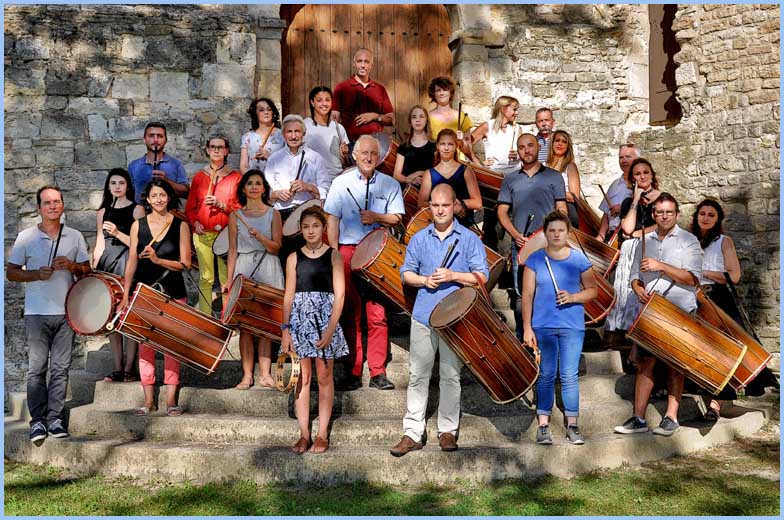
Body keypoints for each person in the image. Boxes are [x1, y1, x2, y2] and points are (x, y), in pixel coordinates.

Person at [390, 184, 488, 456]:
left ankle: (447, 431)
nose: (441, 210)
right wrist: (424, 280)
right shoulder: (419, 238)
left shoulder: (469, 239)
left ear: (454, 206)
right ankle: (412, 432)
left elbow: (482, 276)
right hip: (424, 315)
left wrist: (453, 276)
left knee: (450, 375)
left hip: (455, 319)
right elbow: (405, 274)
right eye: (435, 205)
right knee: (417, 375)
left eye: (445, 205)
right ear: (430, 207)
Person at [7, 186, 91, 445]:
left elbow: (87, 271)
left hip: (66, 313)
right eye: (47, 202)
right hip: (36, 313)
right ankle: (37, 421)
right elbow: (11, 272)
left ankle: (55, 419)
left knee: (60, 369)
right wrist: (35, 274)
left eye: (56, 201)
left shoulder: (75, 236)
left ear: (63, 205)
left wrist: (72, 266)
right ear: (39, 208)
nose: (53, 206)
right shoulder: (26, 237)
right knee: (36, 370)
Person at [615, 193, 702, 437]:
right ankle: (638, 418)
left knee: (675, 364)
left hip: (679, 310)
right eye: (660, 212)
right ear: (654, 214)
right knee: (645, 363)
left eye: (669, 212)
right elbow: (634, 275)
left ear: (677, 214)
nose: (664, 216)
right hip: (650, 311)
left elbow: (693, 278)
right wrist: (637, 288)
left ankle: (671, 417)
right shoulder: (644, 240)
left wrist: (660, 266)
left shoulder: (689, 241)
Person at [323, 134, 405, 391]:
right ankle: (353, 370)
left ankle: (378, 372)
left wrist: (376, 216)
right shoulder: (340, 182)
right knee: (350, 312)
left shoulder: (390, 184)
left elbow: (397, 217)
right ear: (355, 155)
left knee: (377, 314)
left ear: (379, 157)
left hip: (377, 254)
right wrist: (334, 254)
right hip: (347, 250)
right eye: (364, 153)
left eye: (373, 153)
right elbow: (332, 220)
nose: (369, 157)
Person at [690, 198, 778, 416]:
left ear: (718, 219)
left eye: (711, 215)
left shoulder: (723, 241)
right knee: (700, 350)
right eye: (702, 214)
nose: (706, 218)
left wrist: (703, 272)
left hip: (717, 298)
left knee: (723, 349)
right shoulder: (688, 241)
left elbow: (734, 275)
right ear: (696, 216)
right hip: (692, 298)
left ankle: (716, 403)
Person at [521, 211, 597, 445]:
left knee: (569, 375)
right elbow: (527, 295)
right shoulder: (535, 260)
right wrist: (527, 328)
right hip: (543, 325)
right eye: (552, 230)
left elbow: (592, 291)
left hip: (572, 326)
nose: (556, 234)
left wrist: (573, 297)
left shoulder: (579, 260)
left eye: (560, 230)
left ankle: (572, 425)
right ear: (545, 233)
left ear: (568, 233)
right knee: (546, 374)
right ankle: (543, 425)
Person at [121, 180, 192, 417]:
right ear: (148, 200)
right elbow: (132, 261)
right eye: (154, 196)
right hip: (144, 292)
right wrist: (125, 294)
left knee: (172, 346)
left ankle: (171, 400)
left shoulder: (181, 225)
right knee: (146, 346)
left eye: (163, 195)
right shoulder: (137, 226)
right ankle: (148, 400)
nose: (159, 199)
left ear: (169, 197)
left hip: (173, 291)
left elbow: (186, 263)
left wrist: (158, 260)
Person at [281, 206, 348, 454]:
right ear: (300, 229)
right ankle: (303, 433)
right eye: (306, 226)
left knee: (324, 376)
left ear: (324, 228)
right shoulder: (292, 258)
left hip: (325, 322)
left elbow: (340, 295)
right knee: (302, 377)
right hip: (299, 322)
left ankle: (322, 434)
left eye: (315, 226)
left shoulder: (334, 256)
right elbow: (288, 295)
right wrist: (285, 329)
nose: (310, 231)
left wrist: (330, 329)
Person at [497, 133, 567, 339]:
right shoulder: (510, 179)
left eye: (530, 145)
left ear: (538, 148)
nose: (526, 150)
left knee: (549, 292)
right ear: (517, 151)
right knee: (522, 295)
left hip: (548, 246)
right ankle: (524, 340)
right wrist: (515, 234)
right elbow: (502, 212)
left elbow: (562, 208)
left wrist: (553, 232)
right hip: (521, 245)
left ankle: (548, 339)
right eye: (521, 147)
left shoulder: (554, 176)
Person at [224, 170, 284, 389]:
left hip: (268, 265)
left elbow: (277, 247)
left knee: (266, 324)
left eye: (258, 183)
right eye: (250, 183)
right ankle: (247, 375)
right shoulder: (235, 216)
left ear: (264, 188)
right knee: (246, 325)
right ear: (243, 188)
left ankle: (265, 374)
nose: (254, 187)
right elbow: (232, 250)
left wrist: (261, 237)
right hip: (245, 267)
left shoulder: (273, 214)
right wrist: (229, 280)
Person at [92, 168, 145, 383]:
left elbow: (140, 245)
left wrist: (117, 233)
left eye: (121, 183)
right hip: (107, 265)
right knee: (110, 315)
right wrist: (95, 264)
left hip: (128, 263)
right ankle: (117, 367)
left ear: (128, 186)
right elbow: (100, 241)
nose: (117, 187)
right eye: (113, 183)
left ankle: (130, 368)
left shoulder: (137, 210)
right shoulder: (102, 212)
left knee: (128, 316)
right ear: (108, 186)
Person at [184, 135, 242, 314]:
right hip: (203, 234)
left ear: (226, 151)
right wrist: (195, 223)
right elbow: (190, 208)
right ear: (208, 151)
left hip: (225, 235)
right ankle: (205, 318)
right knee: (206, 278)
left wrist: (221, 205)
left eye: (220, 147)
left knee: (226, 279)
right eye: (213, 147)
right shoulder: (199, 177)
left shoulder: (235, 178)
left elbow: (241, 209)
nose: (216, 150)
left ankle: (227, 319)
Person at [604, 158, 662, 333]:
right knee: (627, 289)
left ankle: (647, 327)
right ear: (632, 179)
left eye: (645, 172)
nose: (642, 176)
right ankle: (626, 328)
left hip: (652, 247)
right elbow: (627, 228)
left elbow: (663, 224)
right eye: (637, 174)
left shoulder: (663, 198)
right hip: (631, 250)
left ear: (652, 175)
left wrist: (638, 234)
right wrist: (636, 199)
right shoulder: (628, 202)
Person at [417, 129, 482, 227]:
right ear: (437, 146)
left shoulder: (466, 171)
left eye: (450, 144)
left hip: (462, 225)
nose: (446, 148)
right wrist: (448, 207)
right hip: (438, 225)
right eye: (443, 144)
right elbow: (421, 203)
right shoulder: (429, 173)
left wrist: (460, 204)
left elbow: (478, 203)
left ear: (456, 146)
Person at [332, 48, 394, 148]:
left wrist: (375, 116)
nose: (363, 65)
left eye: (366, 62)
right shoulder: (341, 88)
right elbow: (334, 122)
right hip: (351, 145)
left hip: (376, 145)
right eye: (359, 61)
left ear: (371, 65)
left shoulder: (380, 89)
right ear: (354, 64)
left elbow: (391, 120)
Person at [127, 122, 189, 204]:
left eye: (160, 136)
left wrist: (167, 181)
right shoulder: (134, 166)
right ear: (144, 139)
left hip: (169, 211)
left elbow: (186, 193)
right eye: (151, 136)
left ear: (165, 140)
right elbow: (128, 196)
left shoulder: (176, 164)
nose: (155, 140)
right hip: (141, 211)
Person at [304, 86, 350, 188]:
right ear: (312, 102)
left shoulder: (338, 128)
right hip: (314, 182)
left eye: (328, 100)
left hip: (336, 181)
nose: (324, 104)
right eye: (319, 100)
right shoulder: (304, 126)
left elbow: (344, 162)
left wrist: (344, 154)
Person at [470, 96, 522, 176]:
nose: (517, 113)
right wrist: (479, 163)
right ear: (503, 109)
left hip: (516, 175)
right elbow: (465, 145)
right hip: (495, 175)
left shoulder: (517, 128)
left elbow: (524, 151)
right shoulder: (487, 126)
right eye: (514, 109)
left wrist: (518, 154)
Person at [426, 76, 475, 161]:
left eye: (445, 90)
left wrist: (461, 141)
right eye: (438, 90)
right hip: (435, 162)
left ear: (451, 93)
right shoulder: (427, 117)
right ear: (433, 94)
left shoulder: (462, 117)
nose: (441, 93)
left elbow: (468, 151)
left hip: (458, 163)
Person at [596, 143, 638, 242]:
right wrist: (601, 236)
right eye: (621, 157)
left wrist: (623, 208)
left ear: (637, 160)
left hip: (632, 236)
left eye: (628, 156)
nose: (624, 160)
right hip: (612, 237)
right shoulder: (614, 184)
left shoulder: (642, 183)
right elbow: (606, 214)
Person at [392, 105, 435, 187]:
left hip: (429, 189)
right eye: (414, 117)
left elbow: (438, 172)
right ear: (410, 122)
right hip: (408, 191)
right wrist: (409, 179)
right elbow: (396, 175)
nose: (417, 120)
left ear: (427, 121)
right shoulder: (403, 147)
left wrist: (419, 173)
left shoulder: (434, 146)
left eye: (421, 116)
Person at [545, 130, 581, 228]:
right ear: (552, 143)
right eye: (557, 140)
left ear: (567, 147)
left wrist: (553, 192)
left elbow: (574, 197)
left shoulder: (570, 166)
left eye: (564, 142)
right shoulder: (543, 165)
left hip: (566, 207)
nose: (560, 144)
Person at [240, 97, 285, 173]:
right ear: (255, 113)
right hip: (254, 179)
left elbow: (288, 163)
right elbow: (243, 166)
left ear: (273, 113)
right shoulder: (247, 137)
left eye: (269, 109)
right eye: (261, 110)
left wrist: (269, 156)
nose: (266, 112)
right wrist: (253, 179)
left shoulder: (283, 135)